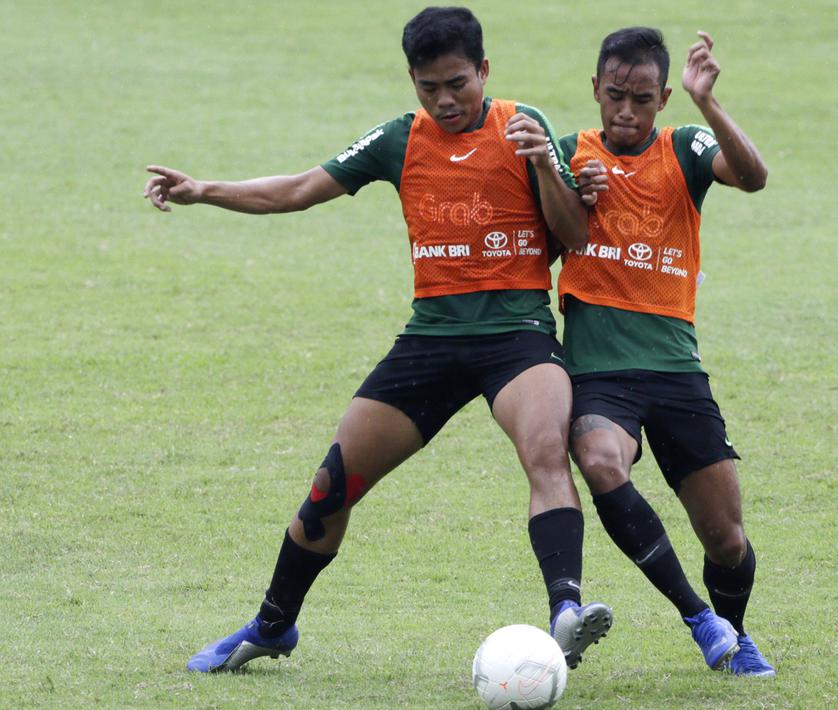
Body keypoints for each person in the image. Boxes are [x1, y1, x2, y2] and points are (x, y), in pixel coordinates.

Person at [144, 6, 612, 673]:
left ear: (483, 70)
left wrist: (544, 167)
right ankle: (273, 625)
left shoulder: (525, 126)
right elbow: (299, 189)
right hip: (430, 340)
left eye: (457, 83)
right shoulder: (399, 139)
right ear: (412, 82)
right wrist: (203, 190)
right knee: (333, 483)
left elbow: (576, 236)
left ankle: (565, 611)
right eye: (428, 88)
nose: (445, 100)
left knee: (544, 452)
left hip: (517, 337)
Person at [556, 27, 774, 676]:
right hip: (597, 372)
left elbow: (752, 178)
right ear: (595, 89)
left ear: (663, 99)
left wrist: (709, 105)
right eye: (615, 96)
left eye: (642, 100)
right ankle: (696, 617)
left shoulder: (685, 145)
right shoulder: (569, 156)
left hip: (676, 370)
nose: (625, 112)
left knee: (726, 539)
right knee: (599, 462)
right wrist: (571, 193)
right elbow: (537, 237)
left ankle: (731, 632)